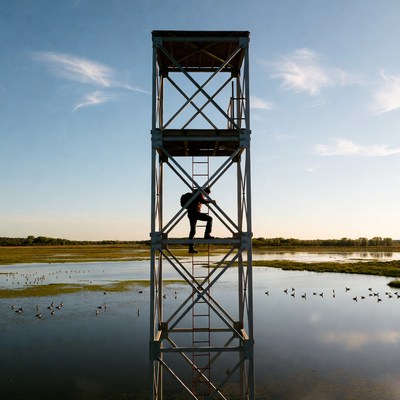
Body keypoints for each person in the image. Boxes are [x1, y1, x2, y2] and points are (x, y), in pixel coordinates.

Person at [187, 187, 216, 253]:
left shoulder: (196, 193)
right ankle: (207, 234)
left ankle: (191, 248)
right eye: (207, 194)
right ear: (206, 191)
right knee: (209, 219)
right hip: (195, 213)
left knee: (192, 230)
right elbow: (203, 201)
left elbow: (202, 200)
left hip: (191, 213)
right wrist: (211, 201)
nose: (207, 195)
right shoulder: (200, 193)